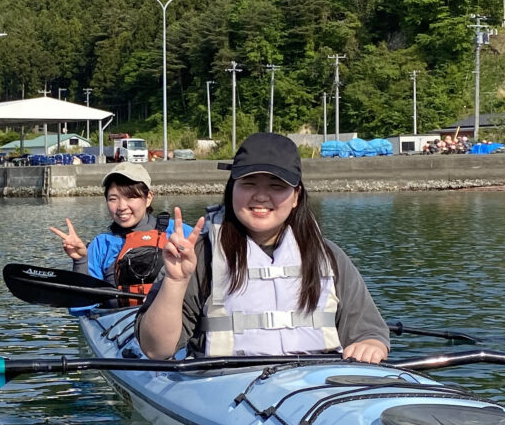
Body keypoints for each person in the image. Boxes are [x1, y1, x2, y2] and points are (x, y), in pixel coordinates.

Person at [136, 131, 390, 363]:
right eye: (249, 183)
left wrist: (370, 344)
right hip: (226, 388)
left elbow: (368, 331)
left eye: (276, 186)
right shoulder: (200, 256)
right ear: (231, 190)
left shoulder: (329, 256)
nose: (261, 196)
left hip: (315, 383)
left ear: (296, 197)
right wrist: (175, 281)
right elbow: (157, 350)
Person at [49, 161, 169, 304]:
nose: (122, 207)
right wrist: (80, 261)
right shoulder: (101, 245)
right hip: (119, 322)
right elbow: (80, 308)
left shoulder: (178, 232)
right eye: (113, 199)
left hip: (171, 321)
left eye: (131, 197)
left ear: (148, 198)